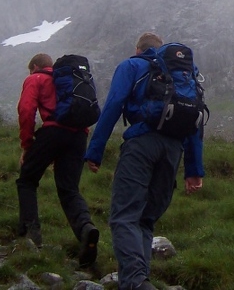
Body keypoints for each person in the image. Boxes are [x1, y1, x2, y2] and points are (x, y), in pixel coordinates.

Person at [85, 32, 205, 290]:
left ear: (138, 49)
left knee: (125, 217)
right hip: (173, 150)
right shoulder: (183, 76)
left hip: (141, 144)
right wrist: (194, 170)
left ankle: (136, 282)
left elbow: (114, 105)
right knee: (145, 220)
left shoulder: (132, 65)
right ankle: (140, 280)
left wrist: (95, 151)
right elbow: (195, 121)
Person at [16, 52, 99, 267]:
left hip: (52, 132)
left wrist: (26, 144)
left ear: (34, 66)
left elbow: (26, 110)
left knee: (27, 180)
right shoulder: (70, 79)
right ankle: (85, 229)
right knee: (69, 189)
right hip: (79, 136)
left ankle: (30, 235)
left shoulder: (36, 78)